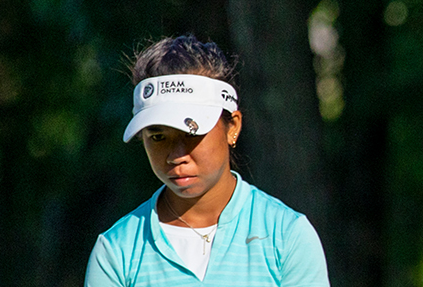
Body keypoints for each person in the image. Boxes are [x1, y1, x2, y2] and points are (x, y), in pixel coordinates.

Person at [85, 36, 330, 286]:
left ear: (232, 127)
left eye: (192, 134)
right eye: (158, 136)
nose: (176, 156)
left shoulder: (287, 236)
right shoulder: (117, 251)